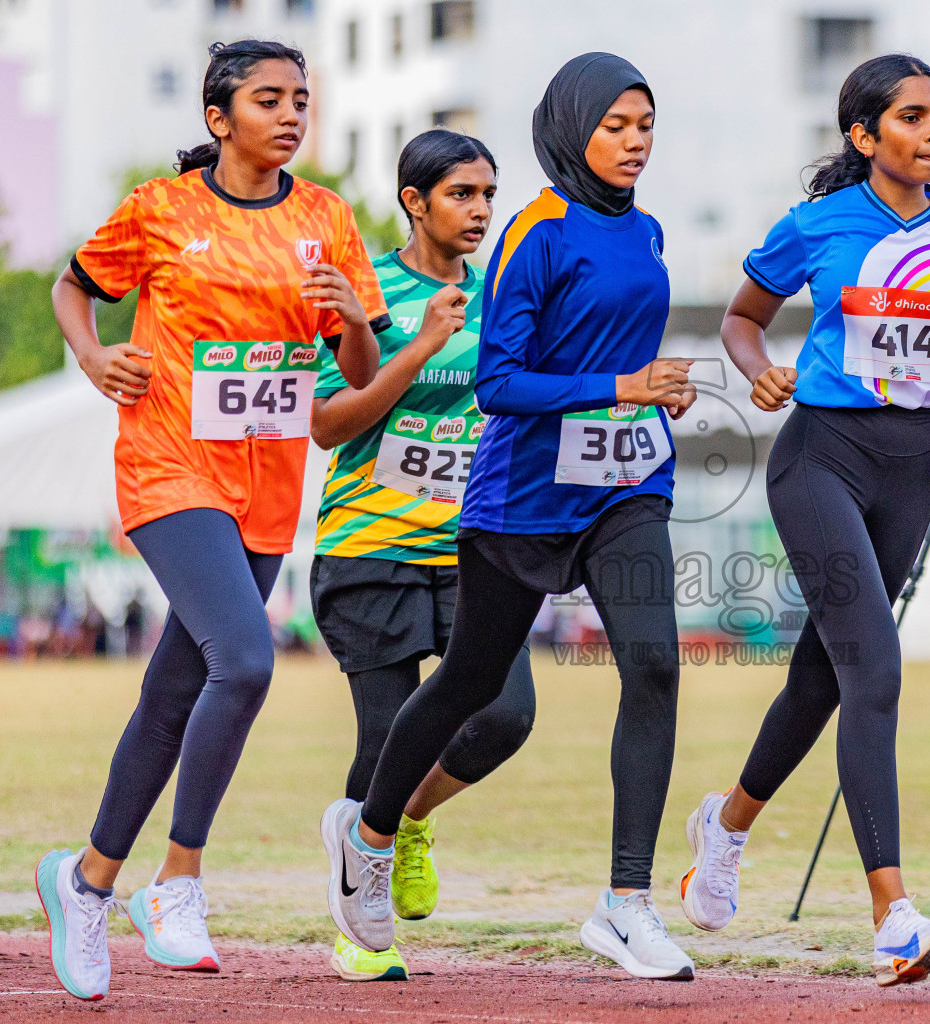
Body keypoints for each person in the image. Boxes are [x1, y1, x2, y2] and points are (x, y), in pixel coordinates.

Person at [320, 52, 699, 982]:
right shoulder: (536, 229)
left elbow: (624, 357)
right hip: (520, 500)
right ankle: (372, 837)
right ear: (572, 128)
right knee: (467, 686)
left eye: (645, 125)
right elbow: (499, 384)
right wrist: (619, 384)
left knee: (654, 665)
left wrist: (654, 399)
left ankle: (626, 904)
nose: (634, 141)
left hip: (624, 486)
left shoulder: (647, 231)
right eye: (615, 125)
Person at [678, 54, 930, 987]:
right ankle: (893, 918)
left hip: (914, 466)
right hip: (819, 458)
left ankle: (725, 825)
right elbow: (743, 317)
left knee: (823, 677)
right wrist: (758, 367)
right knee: (875, 668)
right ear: (863, 134)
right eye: (913, 117)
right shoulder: (818, 226)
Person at [37, 40, 387, 1002]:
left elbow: (358, 373)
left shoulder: (326, 218)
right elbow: (73, 286)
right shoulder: (160, 210)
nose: (289, 114)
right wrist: (93, 354)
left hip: (268, 485)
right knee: (246, 660)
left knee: (175, 690)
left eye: (301, 100)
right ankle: (178, 880)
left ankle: (87, 881)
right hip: (168, 464)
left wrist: (354, 314)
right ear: (217, 118)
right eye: (267, 98)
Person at [309, 128, 538, 982]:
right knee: (382, 735)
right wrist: (420, 346)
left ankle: (403, 818)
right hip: (369, 544)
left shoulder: (506, 298)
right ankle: (357, 927)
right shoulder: (364, 286)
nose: (480, 211)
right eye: (461, 195)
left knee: (507, 715)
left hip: (476, 547)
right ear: (415, 200)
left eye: (488, 194)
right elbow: (328, 424)